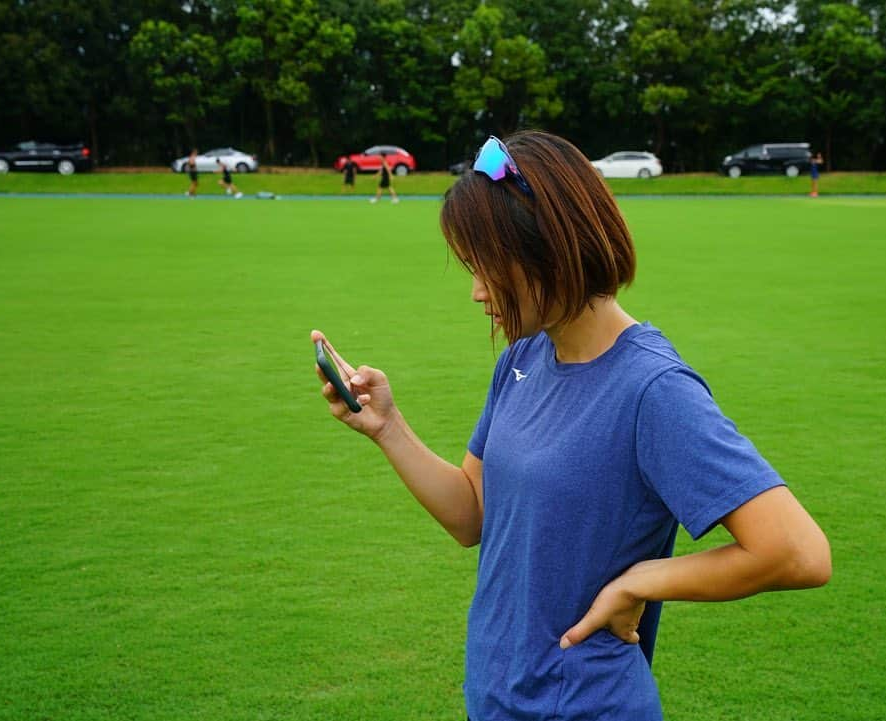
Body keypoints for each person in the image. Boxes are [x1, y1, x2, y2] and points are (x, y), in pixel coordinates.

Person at [313, 131, 831, 721]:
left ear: (550, 252)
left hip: (583, 703)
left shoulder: (652, 389)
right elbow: (472, 515)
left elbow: (798, 552)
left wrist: (641, 581)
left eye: (490, 270)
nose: (479, 293)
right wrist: (388, 428)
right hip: (500, 695)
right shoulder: (524, 357)